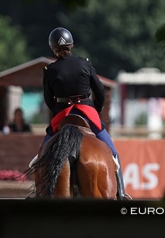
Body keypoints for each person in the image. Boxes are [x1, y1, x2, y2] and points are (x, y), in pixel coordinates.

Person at [31, 26, 130, 200]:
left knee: (43, 154)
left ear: (53, 48)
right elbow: (100, 93)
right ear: (72, 45)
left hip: (62, 114)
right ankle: (121, 193)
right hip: (87, 112)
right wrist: (94, 110)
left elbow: (48, 100)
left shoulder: (50, 70)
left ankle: (37, 193)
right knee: (113, 153)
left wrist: (58, 110)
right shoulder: (85, 63)